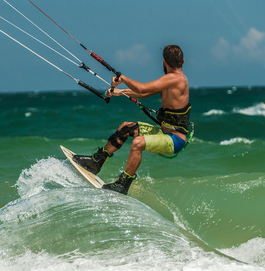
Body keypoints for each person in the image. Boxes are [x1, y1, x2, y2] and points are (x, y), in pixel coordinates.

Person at [73, 45, 191, 195]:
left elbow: (142, 89)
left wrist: (123, 79)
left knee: (137, 143)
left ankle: (123, 184)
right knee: (126, 127)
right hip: (164, 133)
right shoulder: (174, 79)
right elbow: (145, 92)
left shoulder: (175, 79)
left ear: (164, 62)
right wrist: (120, 92)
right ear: (183, 61)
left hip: (175, 139)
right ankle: (97, 163)